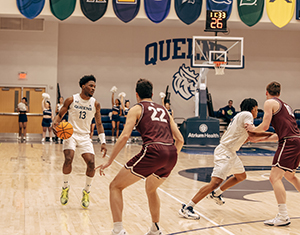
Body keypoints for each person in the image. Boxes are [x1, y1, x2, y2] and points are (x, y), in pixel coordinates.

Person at [95, 78, 184, 235]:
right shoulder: (164, 110)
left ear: (136, 94)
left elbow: (124, 136)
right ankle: (155, 229)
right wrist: (170, 157)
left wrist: (109, 160)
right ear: (153, 93)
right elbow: (180, 139)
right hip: (171, 152)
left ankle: (118, 230)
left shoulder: (137, 109)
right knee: (151, 188)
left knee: (115, 186)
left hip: (153, 150)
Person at [179, 98, 273, 220]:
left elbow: (249, 138)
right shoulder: (247, 115)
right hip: (225, 152)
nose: (257, 112)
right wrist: (271, 134)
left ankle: (216, 193)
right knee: (214, 183)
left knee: (241, 176)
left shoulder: (240, 117)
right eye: (256, 109)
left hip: (231, 152)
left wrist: (265, 137)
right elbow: (252, 134)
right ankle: (188, 207)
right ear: (253, 108)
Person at [245, 81, 300, 226]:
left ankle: (283, 216)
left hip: (289, 141)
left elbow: (264, 126)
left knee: (274, 177)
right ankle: (282, 215)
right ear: (279, 93)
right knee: (290, 176)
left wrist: (251, 129)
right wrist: (260, 139)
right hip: (296, 140)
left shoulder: (269, 103)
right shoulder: (286, 105)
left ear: (266, 92)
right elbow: (279, 134)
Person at [52, 75, 107, 209]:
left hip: (85, 136)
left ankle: (86, 191)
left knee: (91, 163)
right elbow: (60, 115)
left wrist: (103, 142)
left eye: (94, 86)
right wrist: (54, 124)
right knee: (68, 158)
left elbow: (99, 123)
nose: (93, 88)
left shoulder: (95, 103)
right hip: (70, 134)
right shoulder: (71, 100)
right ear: (83, 86)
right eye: (91, 86)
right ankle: (65, 188)